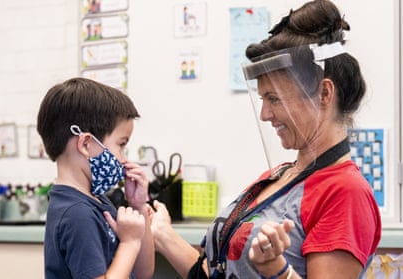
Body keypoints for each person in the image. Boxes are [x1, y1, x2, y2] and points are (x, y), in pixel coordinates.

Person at [149, 0, 381, 278]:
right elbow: (218, 273)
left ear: (324, 94)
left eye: (274, 99)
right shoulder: (277, 177)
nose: (264, 114)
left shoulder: (345, 192)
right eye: (262, 99)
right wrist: (163, 235)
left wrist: (277, 270)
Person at [38, 77, 154, 279]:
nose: (123, 159)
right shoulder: (77, 214)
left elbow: (144, 273)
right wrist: (129, 243)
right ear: (85, 144)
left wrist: (138, 207)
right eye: (121, 144)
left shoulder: (96, 200)